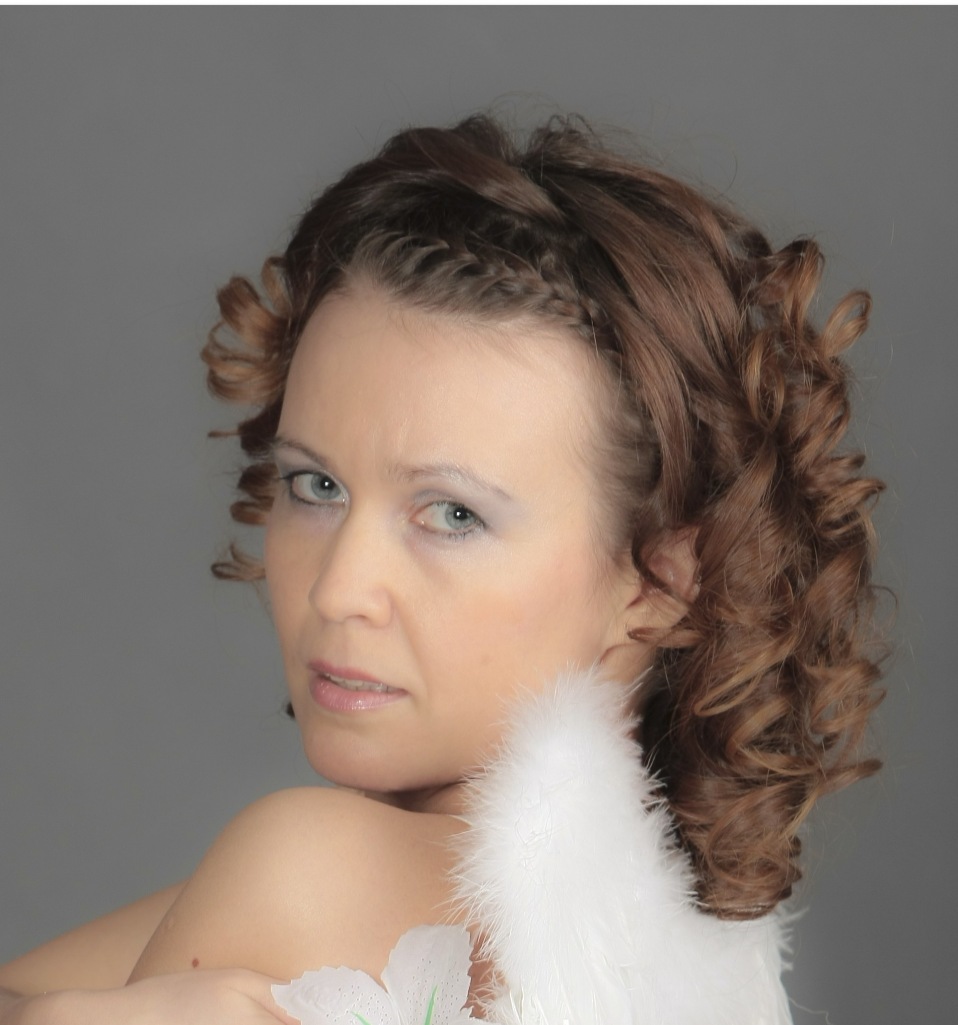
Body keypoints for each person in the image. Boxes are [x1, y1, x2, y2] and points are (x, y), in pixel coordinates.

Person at [0, 113, 884, 1024]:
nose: (338, 589)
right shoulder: (711, 929)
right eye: (315, 485)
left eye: (454, 514)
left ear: (660, 583)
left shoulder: (304, 872)